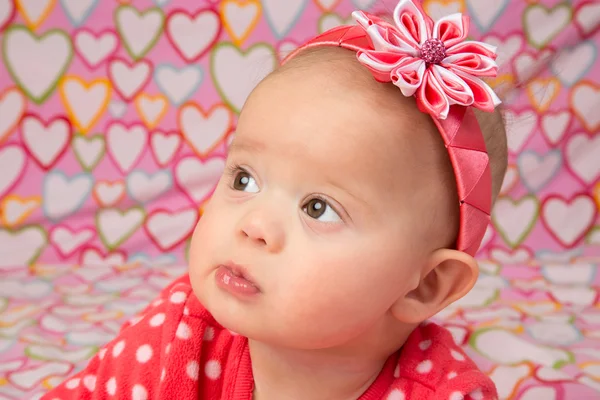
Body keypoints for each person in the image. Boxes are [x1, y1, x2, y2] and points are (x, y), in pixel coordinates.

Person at [42, 0, 507, 398]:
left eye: (317, 208)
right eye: (244, 179)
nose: (253, 224)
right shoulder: (181, 332)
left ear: (425, 285)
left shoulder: (444, 391)